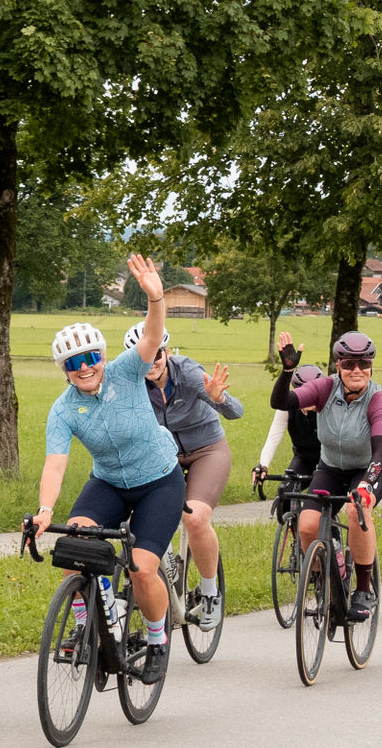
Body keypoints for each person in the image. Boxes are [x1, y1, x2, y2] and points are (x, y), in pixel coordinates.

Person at [30, 254, 183, 685]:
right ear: (65, 371)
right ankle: (88, 622)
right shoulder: (63, 410)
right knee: (72, 544)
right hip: (110, 483)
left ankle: (157, 639)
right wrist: (45, 510)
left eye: (90, 357)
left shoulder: (127, 372)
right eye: (73, 363)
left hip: (159, 482)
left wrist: (156, 298)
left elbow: (151, 336)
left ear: (102, 354)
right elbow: (55, 464)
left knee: (141, 568)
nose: (85, 367)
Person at [270, 329, 382, 622]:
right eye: (349, 364)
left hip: (369, 466)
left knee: (356, 509)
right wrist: (287, 372)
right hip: (331, 467)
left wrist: (366, 485)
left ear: (371, 366)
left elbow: (380, 450)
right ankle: (325, 580)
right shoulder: (325, 388)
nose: (357, 370)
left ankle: (363, 589)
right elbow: (281, 402)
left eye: (364, 363)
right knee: (307, 526)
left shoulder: (378, 398)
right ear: (338, 365)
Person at [128, 323, 244, 631]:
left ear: (166, 352)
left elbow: (237, 412)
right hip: (164, 456)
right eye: (143, 356)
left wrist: (218, 398)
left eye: (156, 354)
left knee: (195, 518)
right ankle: (160, 572)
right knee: (134, 514)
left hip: (207, 451)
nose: (151, 362)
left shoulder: (188, 373)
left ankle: (210, 593)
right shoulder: (132, 382)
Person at [255, 360, 327, 514]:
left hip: (329, 460)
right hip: (303, 458)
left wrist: (323, 469)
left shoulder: (330, 407)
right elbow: (273, 438)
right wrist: (263, 465)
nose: (308, 398)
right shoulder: (287, 407)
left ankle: (329, 529)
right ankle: (294, 528)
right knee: (284, 495)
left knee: (317, 503)